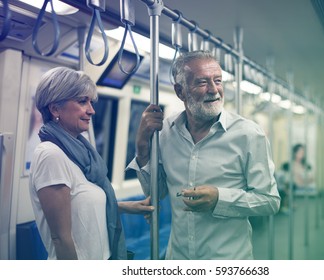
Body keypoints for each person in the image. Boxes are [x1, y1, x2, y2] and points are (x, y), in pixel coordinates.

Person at [127, 50, 280, 259]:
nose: (214, 90)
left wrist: (219, 199)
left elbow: (269, 201)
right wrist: (142, 147)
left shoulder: (248, 134)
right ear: (180, 91)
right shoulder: (166, 131)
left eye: (217, 81)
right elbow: (158, 191)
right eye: (202, 82)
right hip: (178, 257)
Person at [29, 67, 154, 260]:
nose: (91, 110)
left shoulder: (81, 152)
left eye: (90, 102)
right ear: (55, 109)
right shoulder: (50, 155)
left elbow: (80, 206)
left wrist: (128, 206)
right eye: (82, 101)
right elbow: (61, 238)